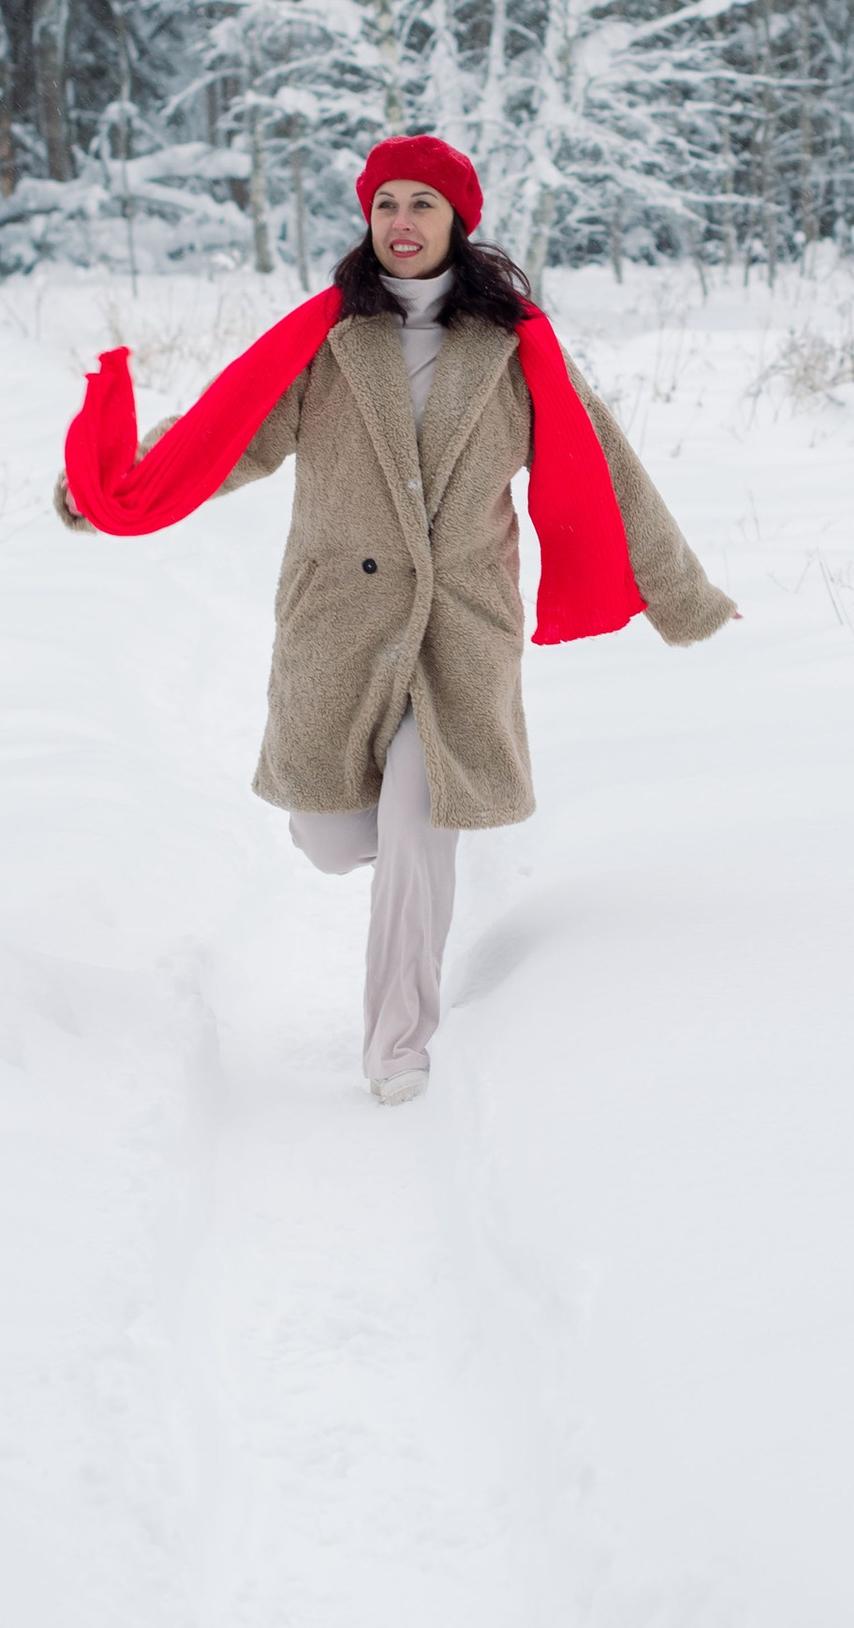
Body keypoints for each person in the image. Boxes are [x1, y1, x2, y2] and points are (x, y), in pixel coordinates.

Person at [56, 135, 735, 1103]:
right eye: (386, 205)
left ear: (458, 219)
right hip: (340, 621)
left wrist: (682, 592)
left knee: (418, 827)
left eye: (422, 204)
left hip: (460, 625)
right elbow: (226, 433)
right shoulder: (325, 340)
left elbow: (607, 465)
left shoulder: (513, 347)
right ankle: (393, 848)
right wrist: (116, 490)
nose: (402, 223)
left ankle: (399, 1045)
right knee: (334, 838)